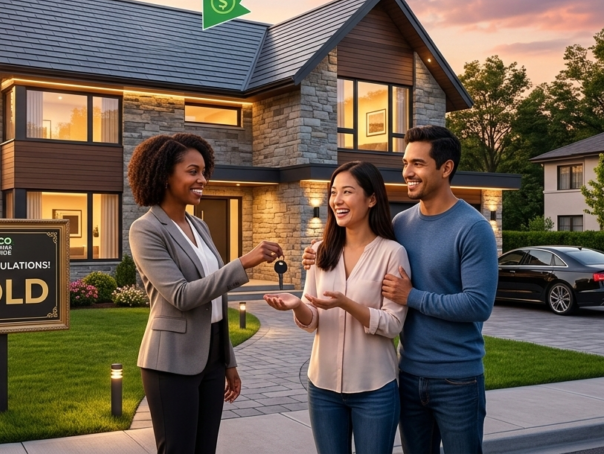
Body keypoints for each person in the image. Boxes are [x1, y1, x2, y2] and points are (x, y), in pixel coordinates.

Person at [303, 125, 498, 453]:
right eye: (406, 163)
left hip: (457, 379)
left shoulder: (474, 228)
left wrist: (413, 297)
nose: (407, 172)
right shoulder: (401, 225)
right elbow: (363, 246)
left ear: (446, 168)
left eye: (418, 164)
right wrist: (318, 252)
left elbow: (479, 305)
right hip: (407, 374)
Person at [127, 133, 284, 454]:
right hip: (170, 362)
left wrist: (228, 360)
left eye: (204, 171)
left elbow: (215, 299)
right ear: (165, 175)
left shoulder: (199, 226)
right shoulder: (146, 229)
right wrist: (244, 262)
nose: (203, 179)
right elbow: (182, 295)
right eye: (193, 171)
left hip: (211, 357)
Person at [264, 161, 410, 454]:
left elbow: (393, 324)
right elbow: (312, 317)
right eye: (333, 192)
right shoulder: (320, 251)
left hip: (375, 388)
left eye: (347, 192)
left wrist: (346, 304)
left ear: (371, 199)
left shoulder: (392, 253)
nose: (337, 200)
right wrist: (296, 306)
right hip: (323, 387)